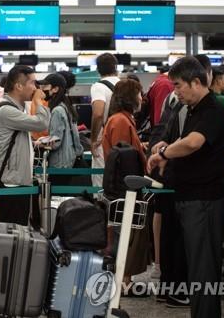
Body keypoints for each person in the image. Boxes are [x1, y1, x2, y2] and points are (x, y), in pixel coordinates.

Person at [148, 56, 224, 318]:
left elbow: (193, 142)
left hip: (204, 201)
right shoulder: (195, 110)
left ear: (196, 82)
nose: (175, 91)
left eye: (178, 85)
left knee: (203, 270)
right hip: (190, 198)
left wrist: (165, 154)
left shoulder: (214, 108)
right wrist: (166, 146)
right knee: (197, 268)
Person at [102, 78, 151, 287]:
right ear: (131, 97)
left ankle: (125, 279)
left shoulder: (121, 119)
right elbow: (123, 155)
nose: (142, 98)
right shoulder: (121, 121)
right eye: (139, 93)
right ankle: (124, 280)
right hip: (125, 188)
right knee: (126, 233)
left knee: (127, 232)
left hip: (124, 187)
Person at [0, 65, 50, 225]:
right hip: (12, 181)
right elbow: (41, 123)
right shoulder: (7, 110)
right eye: (32, 83)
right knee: (13, 230)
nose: (36, 87)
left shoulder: (15, 107)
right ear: (18, 86)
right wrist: (38, 101)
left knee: (17, 230)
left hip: (17, 178)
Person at [37, 73, 83, 180]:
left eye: (45, 86)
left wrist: (38, 143)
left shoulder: (57, 111)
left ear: (55, 89)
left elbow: (56, 142)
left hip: (60, 164)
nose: (42, 89)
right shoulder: (66, 107)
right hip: (69, 160)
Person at [90, 53, 120, 191]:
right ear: (115, 67)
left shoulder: (98, 87)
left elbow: (98, 114)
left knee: (101, 182)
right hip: (123, 137)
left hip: (104, 140)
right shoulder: (124, 84)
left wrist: (93, 139)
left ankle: (102, 210)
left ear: (98, 69)